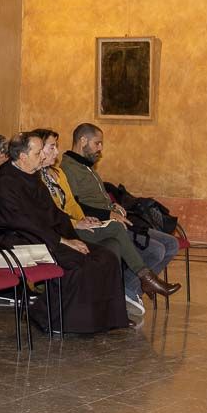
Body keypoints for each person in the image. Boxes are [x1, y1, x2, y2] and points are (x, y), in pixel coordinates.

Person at [0, 132, 127, 334]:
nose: (43, 156)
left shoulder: (31, 175)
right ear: (22, 156)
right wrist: (62, 240)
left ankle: (101, 319)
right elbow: (23, 222)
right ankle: (54, 318)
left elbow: (51, 211)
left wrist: (73, 229)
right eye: (38, 152)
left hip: (42, 236)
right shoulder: (5, 183)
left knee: (105, 257)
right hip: (18, 241)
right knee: (78, 263)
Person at [60, 123, 181, 307]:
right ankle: (131, 289)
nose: (100, 149)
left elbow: (95, 198)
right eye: (97, 143)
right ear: (82, 140)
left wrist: (113, 205)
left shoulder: (86, 166)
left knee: (172, 243)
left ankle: (130, 290)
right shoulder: (68, 168)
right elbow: (76, 206)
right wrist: (108, 212)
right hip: (101, 225)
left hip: (113, 219)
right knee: (157, 250)